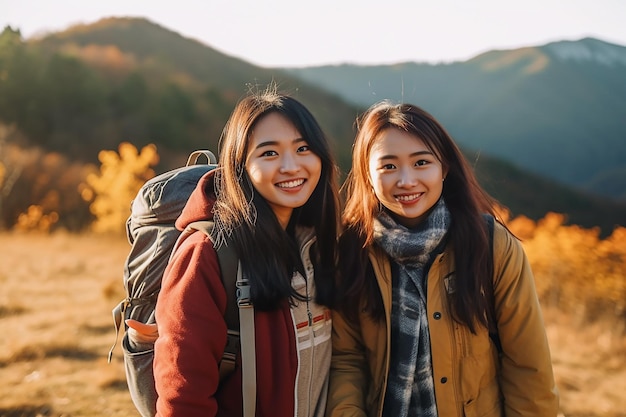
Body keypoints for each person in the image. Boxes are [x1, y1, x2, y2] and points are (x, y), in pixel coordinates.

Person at [325, 101, 559, 417]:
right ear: (368, 175)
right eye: (388, 166)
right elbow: (347, 358)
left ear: (444, 168)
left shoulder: (490, 244)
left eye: (421, 163)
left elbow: (528, 366)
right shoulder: (352, 251)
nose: (406, 180)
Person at [152, 87, 340, 417]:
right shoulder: (208, 255)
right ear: (240, 166)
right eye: (269, 154)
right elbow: (183, 399)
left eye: (303, 148)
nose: (291, 166)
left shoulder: (320, 244)